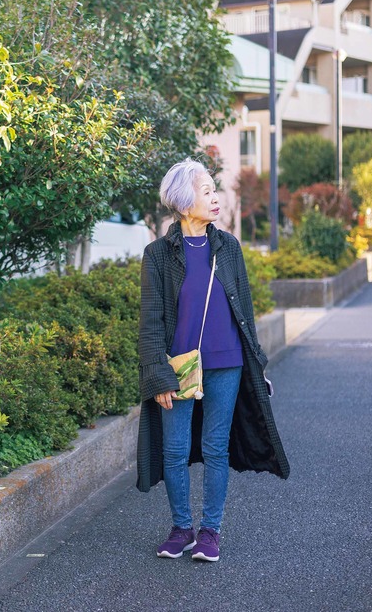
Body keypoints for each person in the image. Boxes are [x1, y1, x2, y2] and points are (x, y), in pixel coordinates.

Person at [136, 158, 289, 562]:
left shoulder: (229, 247)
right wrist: (157, 374)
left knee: (216, 447)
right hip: (179, 368)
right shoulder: (157, 255)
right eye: (206, 192)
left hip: (227, 362)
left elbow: (246, 311)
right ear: (186, 203)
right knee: (174, 449)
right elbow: (151, 319)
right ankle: (181, 527)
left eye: (214, 190)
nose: (215, 197)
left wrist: (257, 362)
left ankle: (210, 532)